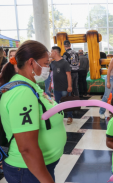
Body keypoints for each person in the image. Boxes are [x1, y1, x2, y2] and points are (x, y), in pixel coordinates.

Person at [0, 40, 66, 183]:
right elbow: (27, 149)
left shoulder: (31, 85)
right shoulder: (22, 93)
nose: (49, 68)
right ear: (31, 62)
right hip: (27, 171)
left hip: (36, 167)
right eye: (46, 63)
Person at [50, 46, 73, 125]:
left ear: (55, 52)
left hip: (64, 87)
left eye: (51, 51)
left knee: (67, 102)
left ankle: (70, 117)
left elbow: (69, 75)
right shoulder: (52, 63)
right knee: (57, 103)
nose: (50, 53)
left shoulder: (64, 62)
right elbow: (49, 73)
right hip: (56, 87)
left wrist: (69, 86)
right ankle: (59, 117)